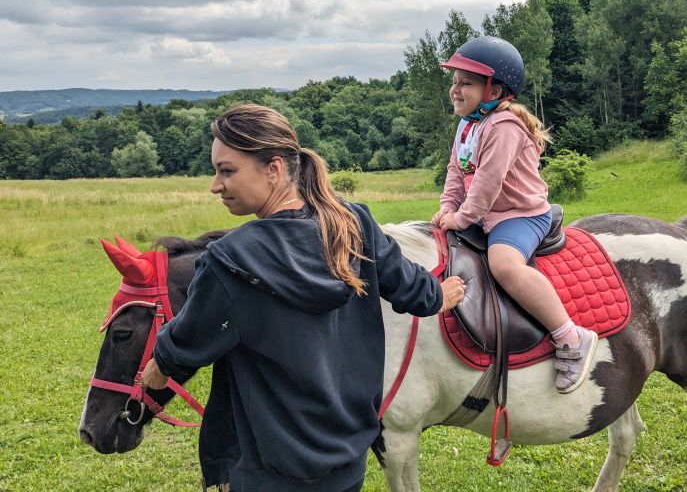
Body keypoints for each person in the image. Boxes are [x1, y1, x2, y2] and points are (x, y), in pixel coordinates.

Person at [141, 104, 465, 492]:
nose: (215, 185)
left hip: (267, 472)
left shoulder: (229, 260)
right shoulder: (354, 223)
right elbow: (414, 290)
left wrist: (153, 374)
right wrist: (440, 295)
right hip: (348, 461)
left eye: (227, 170)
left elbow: (183, 345)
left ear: (274, 169)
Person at [431, 36, 598, 394]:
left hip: (519, 215)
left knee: (503, 264)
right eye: (454, 81)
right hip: (486, 214)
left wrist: (463, 217)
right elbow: (456, 170)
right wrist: (448, 205)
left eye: (466, 83)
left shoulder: (504, 126)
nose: (455, 90)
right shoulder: (468, 125)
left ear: (494, 89)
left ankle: (570, 336)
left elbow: (489, 182)